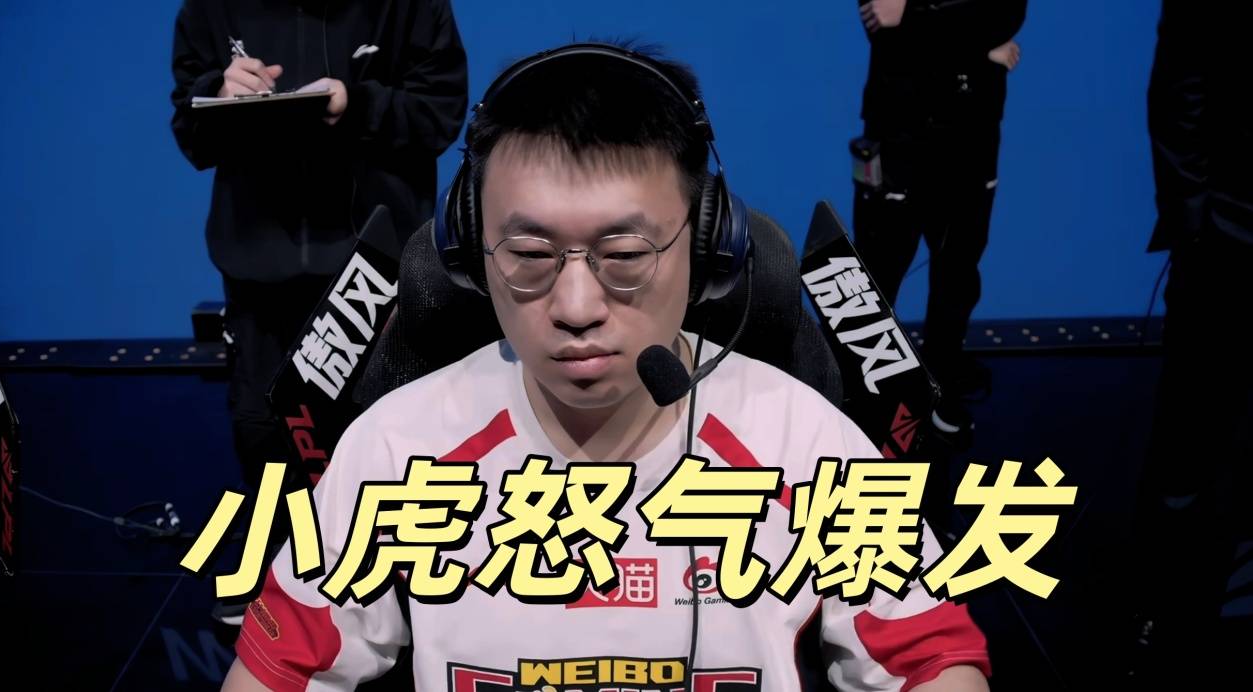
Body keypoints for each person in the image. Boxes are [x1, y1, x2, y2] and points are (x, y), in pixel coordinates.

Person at [220, 42, 992, 691]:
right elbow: (282, 666)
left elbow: (930, 658)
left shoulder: (805, 445)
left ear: (709, 248)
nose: (576, 306)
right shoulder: (395, 451)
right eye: (528, 254)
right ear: (467, 250)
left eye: (624, 254)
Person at [168, 0, 469, 623]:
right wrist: (218, 92)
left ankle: (401, 583)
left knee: (390, 425)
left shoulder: (412, 6)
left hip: (375, 261)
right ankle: (283, 576)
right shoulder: (210, 7)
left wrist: (354, 104)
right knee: (263, 425)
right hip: (257, 263)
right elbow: (190, 133)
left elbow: (439, 115)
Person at [1125, 0, 1253, 686]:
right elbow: (1178, 90)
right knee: (1192, 438)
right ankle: (1163, 612)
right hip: (1228, 236)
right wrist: (1198, 225)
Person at [851, 0, 1027, 436]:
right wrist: (979, 47)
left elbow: (1006, 14)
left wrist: (914, 16)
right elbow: (881, 18)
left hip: (974, 128)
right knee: (876, 272)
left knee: (959, 271)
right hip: (898, 127)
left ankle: (939, 390)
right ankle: (862, 400)